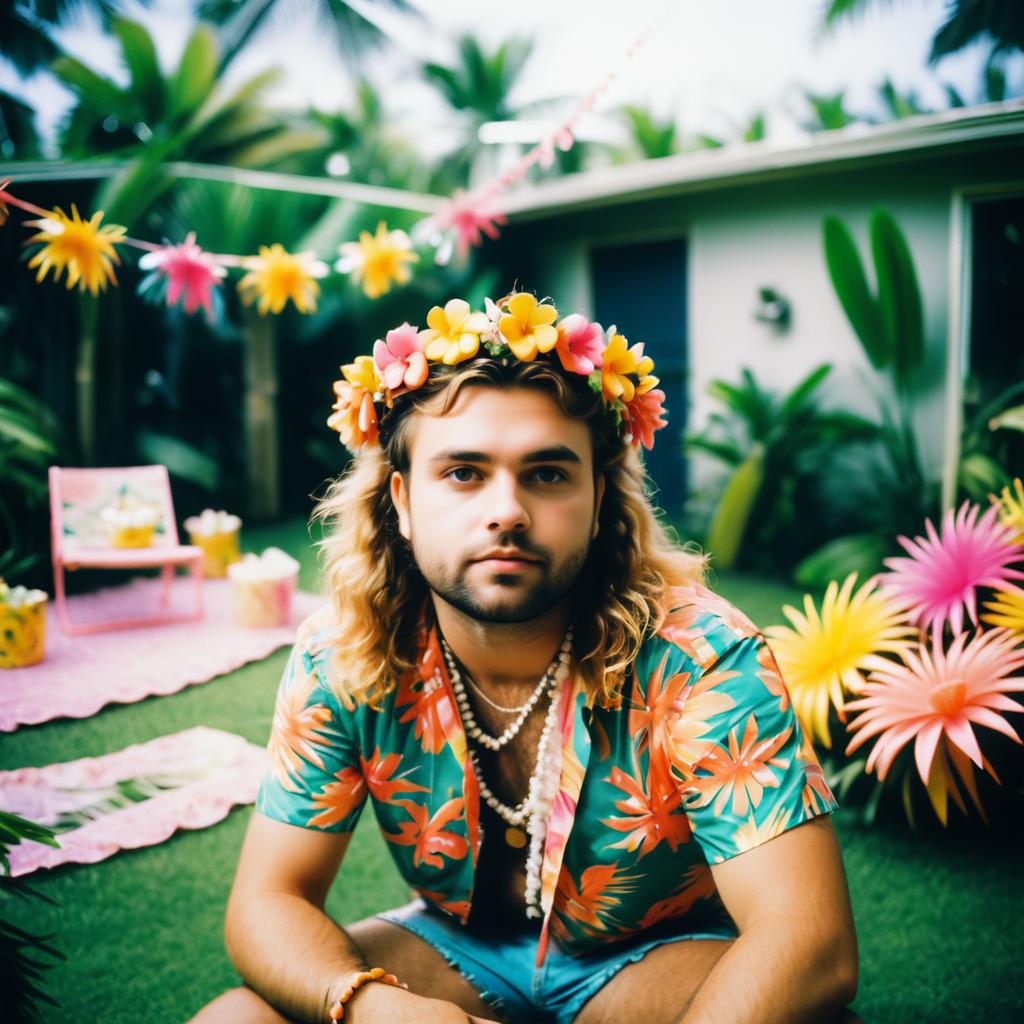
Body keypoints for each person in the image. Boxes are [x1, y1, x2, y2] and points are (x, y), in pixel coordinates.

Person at [192, 293, 859, 1024]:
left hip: (654, 960)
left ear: (599, 497)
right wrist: (382, 1011)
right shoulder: (343, 652)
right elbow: (268, 899)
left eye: (546, 474)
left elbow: (811, 941)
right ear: (403, 501)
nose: (506, 510)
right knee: (237, 1019)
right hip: (453, 950)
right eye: (463, 472)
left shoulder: (699, 658)